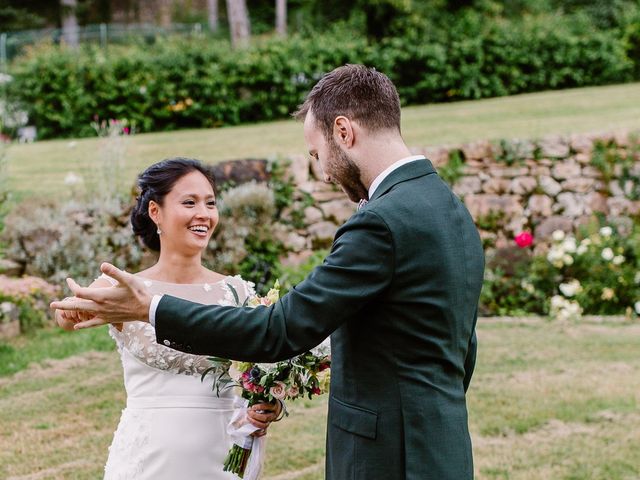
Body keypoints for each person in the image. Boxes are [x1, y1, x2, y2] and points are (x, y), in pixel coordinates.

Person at [53, 64, 485, 480]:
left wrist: (151, 308)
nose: (324, 171)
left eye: (318, 154)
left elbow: (280, 330)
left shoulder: (381, 222)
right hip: (441, 445)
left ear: (343, 132)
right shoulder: (450, 209)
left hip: (390, 455)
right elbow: (462, 347)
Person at [54, 158, 281, 479]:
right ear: (155, 211)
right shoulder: (125, 287)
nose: (203, 213)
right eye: (189, 202)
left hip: (223, 454)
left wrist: (268, 404)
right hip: (149, 458)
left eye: (210, 203)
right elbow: (70, 315)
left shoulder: (238, 291)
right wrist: (72, 309)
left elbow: (262, 368)